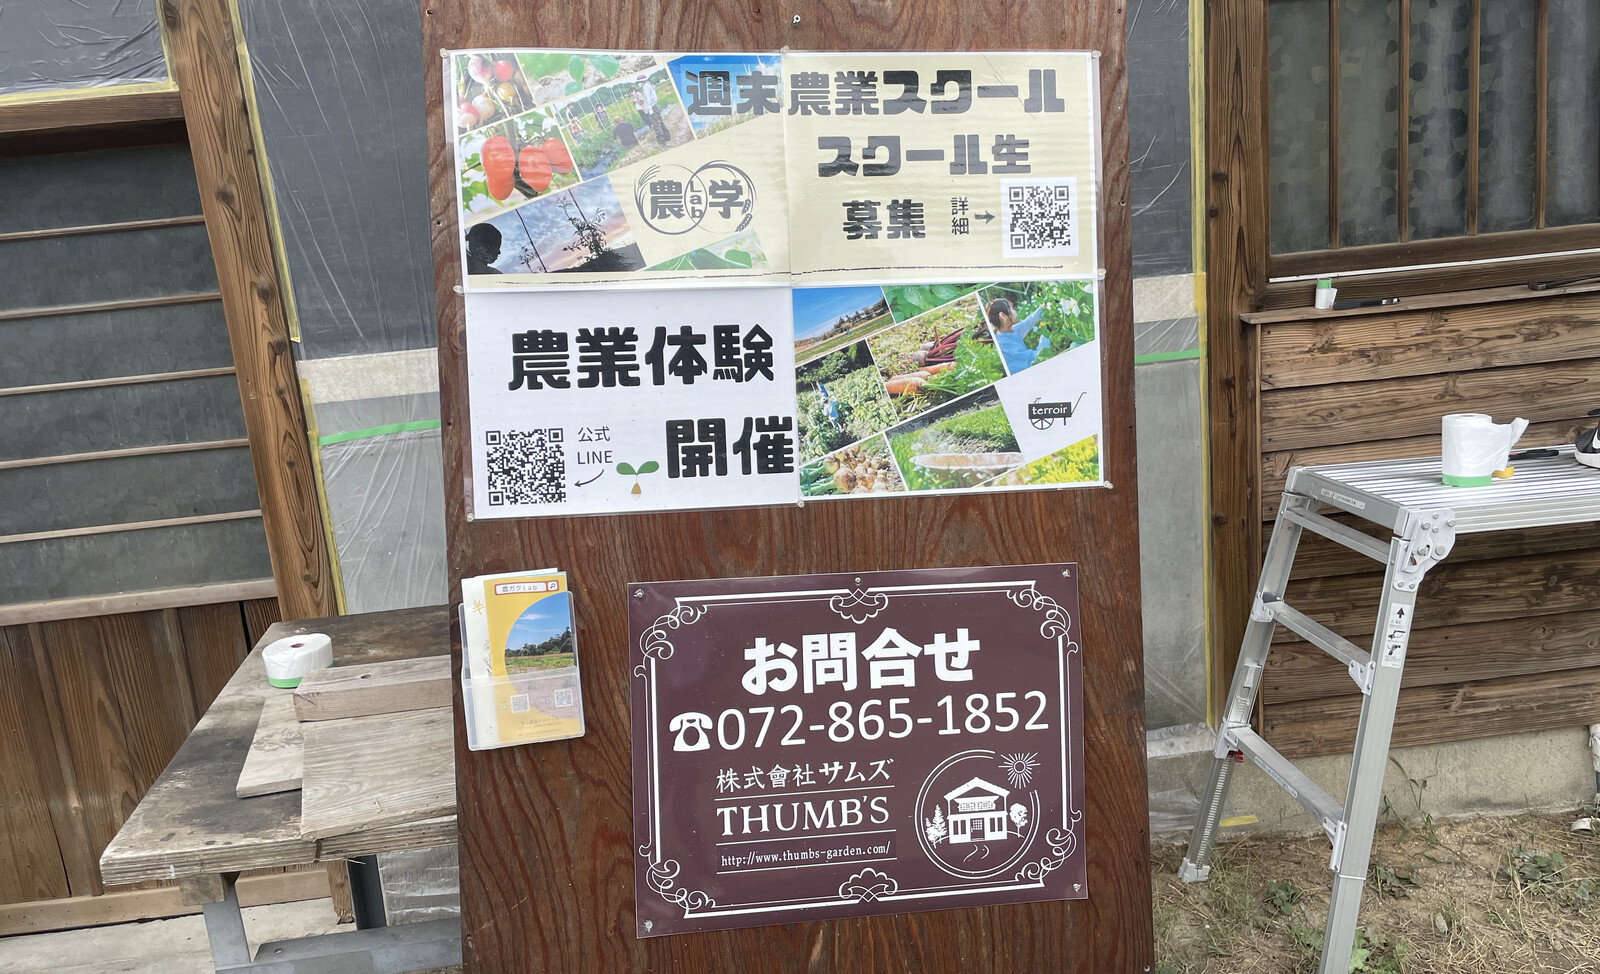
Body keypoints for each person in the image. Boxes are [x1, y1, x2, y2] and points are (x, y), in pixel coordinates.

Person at [986, 297, 1047, 374]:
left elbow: (1028, 322)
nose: (1015, 311)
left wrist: (1042, 308)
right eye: (1011, 309)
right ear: (1003, 315)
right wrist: (1046, 334)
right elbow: (1038, 357)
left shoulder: (1010, 330)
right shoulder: (1003, 344)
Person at [637, 78, 669, 143]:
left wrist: (649, 108)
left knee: (656, 124)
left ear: (641, 81)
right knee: (660, 121)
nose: (639, 84)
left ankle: (661, 141)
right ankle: (667, 136)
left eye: (639, 82)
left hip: (652, 107)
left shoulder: (645, 87)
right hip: (655, 105)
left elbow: (648, 99)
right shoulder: (649, 85)